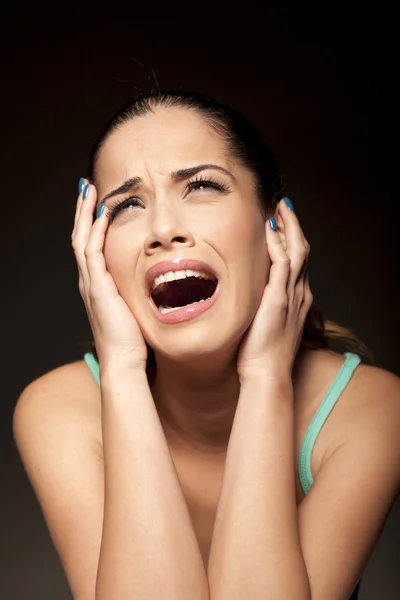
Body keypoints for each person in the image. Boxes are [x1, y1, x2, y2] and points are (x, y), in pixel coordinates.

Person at [13, 90, 400, 600]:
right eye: (127, 204)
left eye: (200, 186)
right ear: (95, 252)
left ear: (277, 227)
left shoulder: (372, 410)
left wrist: (266, 377)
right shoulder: (58, 409)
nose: (164, 229)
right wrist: (123, 371)